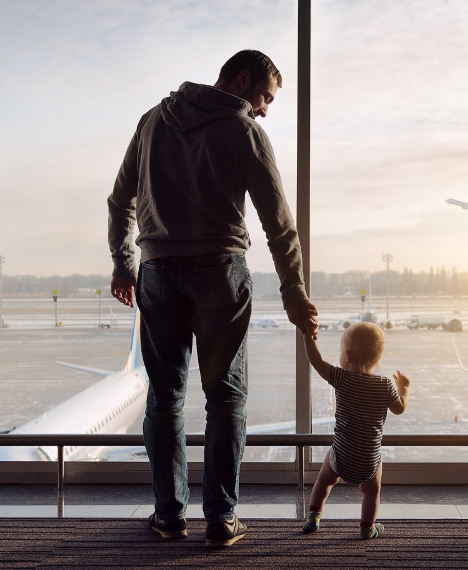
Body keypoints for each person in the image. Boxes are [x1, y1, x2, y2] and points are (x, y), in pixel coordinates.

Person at [107, 50, 319, 547]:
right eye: (265, 96)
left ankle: (168, 515)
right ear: (242, 80)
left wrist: (124, 263)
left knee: (164, 399)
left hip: (157, 272)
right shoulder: (244, 131)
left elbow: (121, 200)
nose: (265, 109)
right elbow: (279, 226)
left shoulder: (153, 120)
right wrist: (294, 292)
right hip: (220, 275)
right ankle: (222, 519)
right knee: (226, 396)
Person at [302, 323, 410, 539]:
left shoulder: (342, 378)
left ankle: (313, 516)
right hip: (368, 461)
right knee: (372, 491)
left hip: (341, 457)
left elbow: (316, 361)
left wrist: (308, 335)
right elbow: (399, 408)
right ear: (377, 358)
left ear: (347, 355)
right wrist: (404, 389)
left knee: (324, 481)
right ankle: (367, 527)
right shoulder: (385, 385)